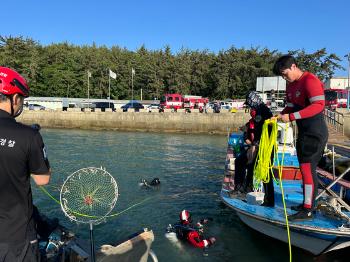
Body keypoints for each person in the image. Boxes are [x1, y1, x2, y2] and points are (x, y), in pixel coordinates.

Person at [0, 67, 51, 261]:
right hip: (16, 239)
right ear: (13, 98)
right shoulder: (29, 136)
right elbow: (43, 179)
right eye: (21, 98)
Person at [273, 55, 328, 221]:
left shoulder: (310, 80)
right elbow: (290, 106)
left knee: (307, 169)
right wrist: (279, 116)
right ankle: (306, 203)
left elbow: (318, 106)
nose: (284, 78)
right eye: (281, 76)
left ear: (294, 66)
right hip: (304, 133)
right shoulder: (291, 86)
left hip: (315, 133)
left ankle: (308, 209)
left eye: (285, 74)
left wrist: (291, 117)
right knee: (304, 170)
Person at [242, 91, 274, 206]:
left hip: (265, 145)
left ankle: (268, 200)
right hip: (262, 144)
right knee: (254, 167)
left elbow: (263, 130)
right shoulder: (262, 110)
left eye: (249, 103)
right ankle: (250, 191)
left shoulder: (262, 110)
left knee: (262, 171)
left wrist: (255, 145)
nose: (249, 106)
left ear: (253, 100)